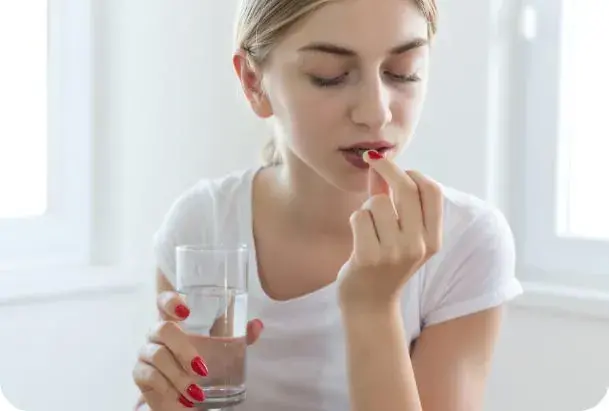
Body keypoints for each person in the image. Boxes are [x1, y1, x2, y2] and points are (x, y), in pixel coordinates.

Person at [132, 0, 523, 409]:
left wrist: (372, 308)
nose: (376, 113)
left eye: (403, 71)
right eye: (330, 76)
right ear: (253, 82)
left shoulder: (465, 241)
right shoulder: (203, 223)